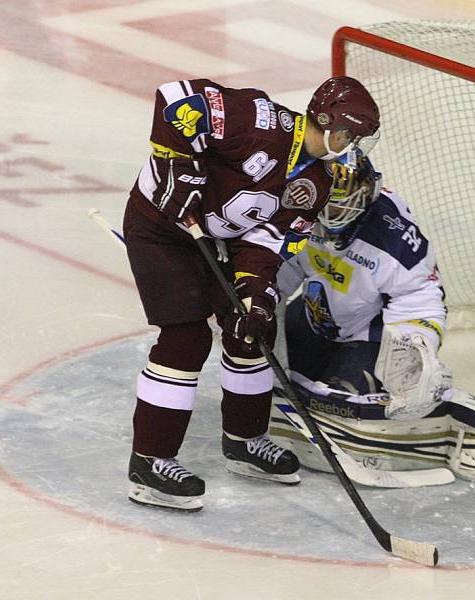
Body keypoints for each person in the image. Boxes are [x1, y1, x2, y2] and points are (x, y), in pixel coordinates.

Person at [123, 76, 380, 511]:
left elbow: (266, 241)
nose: (352, 145)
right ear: (326, 121)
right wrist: (176, 167)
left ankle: (244, 441)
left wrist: (255, 293)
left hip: (218, 238)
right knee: (186, 339)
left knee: (251, 329)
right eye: (349, 134)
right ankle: (150, 462)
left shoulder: (316, 181)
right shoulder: (261, 122)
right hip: (161, 228)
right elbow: (176, 98)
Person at [272, 156, 475, 482]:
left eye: (337, 208)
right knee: (270, 368)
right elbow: (285, 263)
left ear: (363, 198)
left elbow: (421, 298)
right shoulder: (303, 207)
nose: (326, 217)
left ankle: (453, 416)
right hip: (315, 316)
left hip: (367, 334)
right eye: (322, 205)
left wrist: (414, 345)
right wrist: (261, 297)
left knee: (352, 398)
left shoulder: (393, 234)